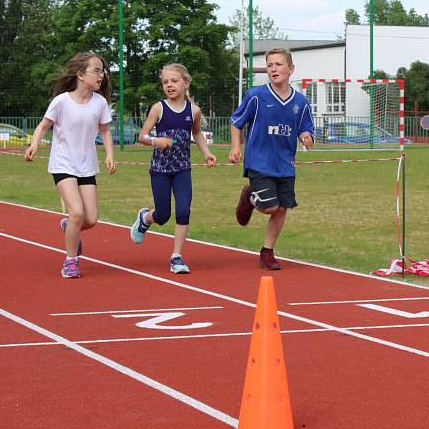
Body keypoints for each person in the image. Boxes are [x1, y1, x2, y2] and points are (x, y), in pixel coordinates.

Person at [25, 52, 116, 278]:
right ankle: (71, 261)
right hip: (63, 163)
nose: (101, 76)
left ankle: (69, 227)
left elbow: (105, 130)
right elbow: (43, 126)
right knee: (77, 212)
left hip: (87, 165)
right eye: (96, 70)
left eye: (102, 71)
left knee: (90, 219)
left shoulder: (100, 103)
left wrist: (109, 154)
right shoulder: (61, 101)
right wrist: (34, 144)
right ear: (80, 75)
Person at [228, 48, 314, 270]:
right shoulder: (256, 96)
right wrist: (236, 147)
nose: (273, 69)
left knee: (282, 209)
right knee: (269, 207)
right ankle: (249, 197)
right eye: (269, 65)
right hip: (259, 161)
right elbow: (236, 122)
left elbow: (306, 129)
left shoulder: (301, 102)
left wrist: (306, 137)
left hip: (285, 163)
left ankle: (267, 252)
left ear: (290, 69)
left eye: (278, 64)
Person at [130, 63, 216, 274]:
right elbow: (142, 136)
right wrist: (155, 141)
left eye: (174, 81)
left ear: (185, 83)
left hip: (182, 169)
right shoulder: (158, 108)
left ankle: (176, 257)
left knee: (184, 211)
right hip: (160, 169)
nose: (169, 85)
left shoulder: (193, 110)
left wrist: (207, 154)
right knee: (162, 215)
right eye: (165, 82)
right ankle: (144, 218)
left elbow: (196, 134)